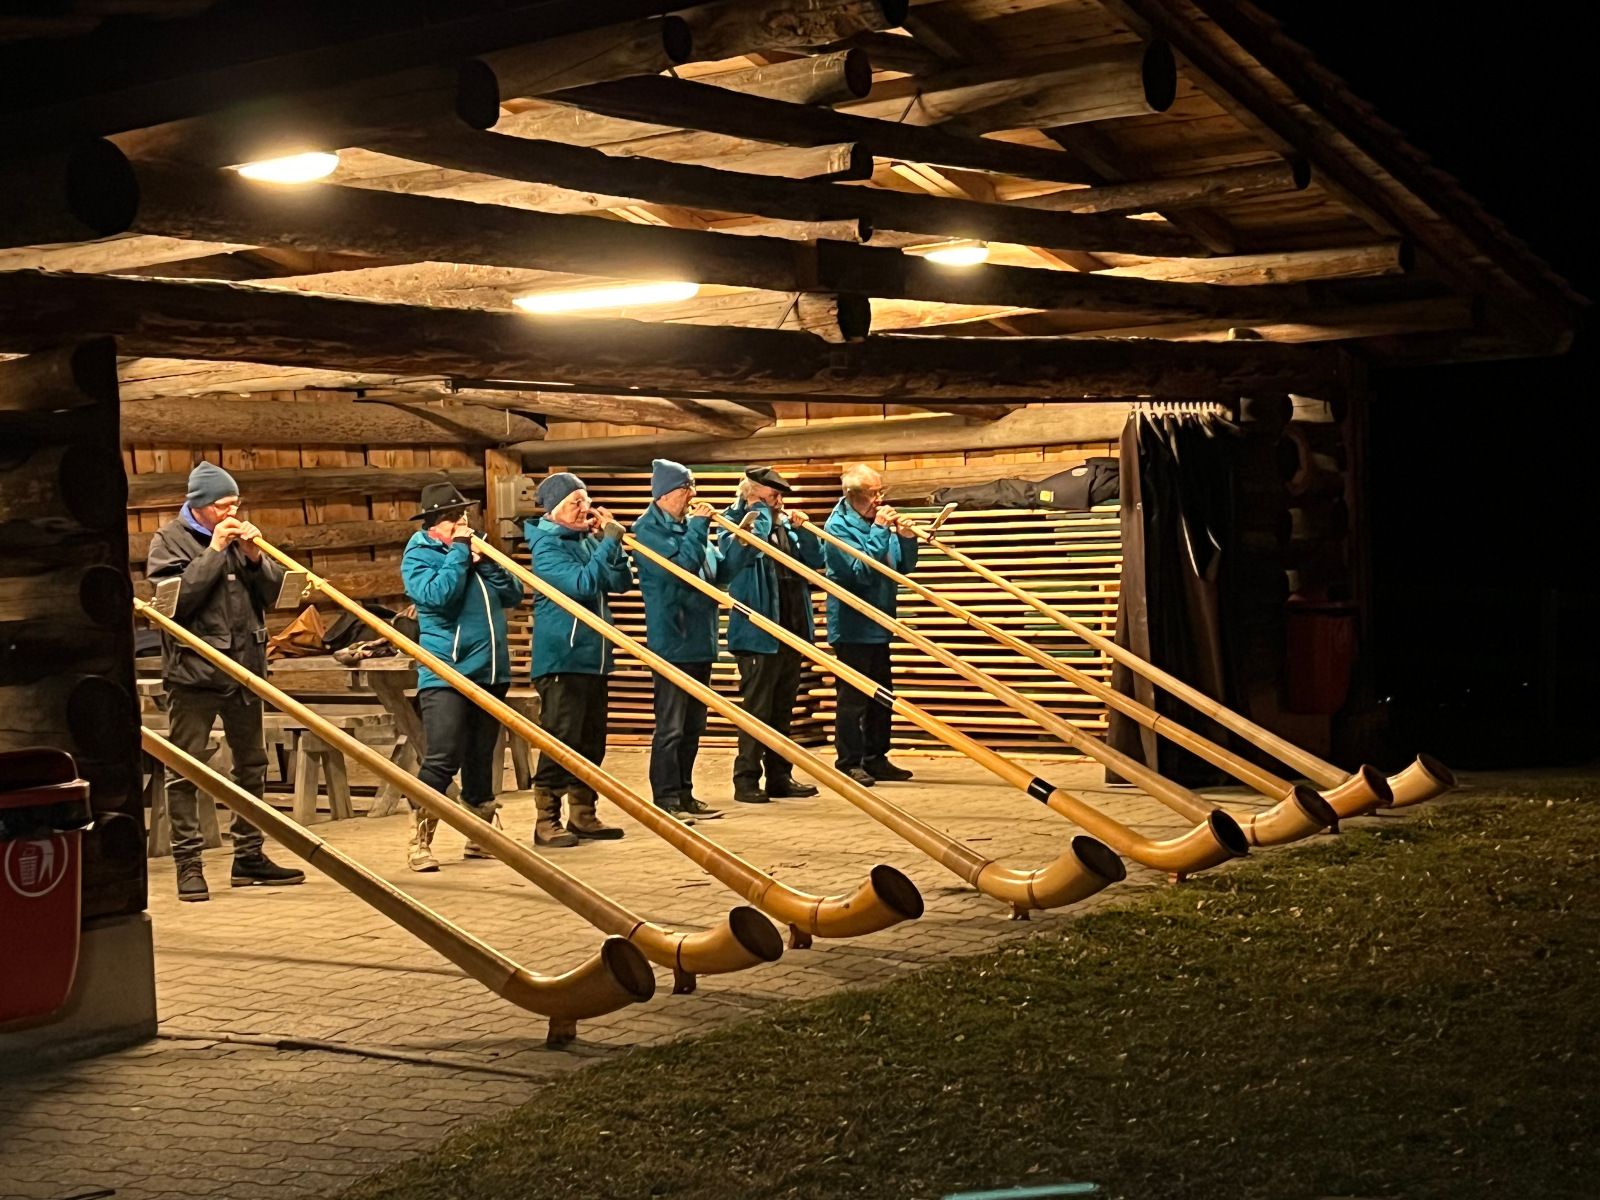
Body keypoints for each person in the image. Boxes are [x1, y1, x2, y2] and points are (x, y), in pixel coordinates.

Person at [145, 461, 305, 902]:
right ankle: (189, 864)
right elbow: (174, 604)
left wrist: (257, 559)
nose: (232, 511)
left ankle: (248, 857)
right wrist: (214, 551)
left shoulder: (241, 540)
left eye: (236, 503)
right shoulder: (168, 540)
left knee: (252, 764)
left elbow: (277, 597)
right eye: (223, 505)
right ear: (198, 506)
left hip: (245, 670)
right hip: (194, 674)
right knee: (186, 770)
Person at [399, 482, 524, 871]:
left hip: (489, 670)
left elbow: (513, 592)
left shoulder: (475, 552)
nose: (464, 524)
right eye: (456, 518)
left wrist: (486, 561)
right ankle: (420, 837)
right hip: (445, 672)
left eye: (465, 516)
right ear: (436, 525)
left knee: (481, 756)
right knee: (443, 755)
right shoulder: (419, 556)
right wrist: (457, 554)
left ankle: (479, 835)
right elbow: (439, 596)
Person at [525, 472, 633, 844]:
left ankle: (583, 814)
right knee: (561, 740)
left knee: (591, 742)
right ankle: (545, 820)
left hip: (594, 657)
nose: (585, 508)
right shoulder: (547, 547)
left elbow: (619, 584)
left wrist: (610, 544)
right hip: (562, 658)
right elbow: (583, 585)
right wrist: (607, 544)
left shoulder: (585, 541)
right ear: (555, 510)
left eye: (586, 500)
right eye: (576, 502)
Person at [719, 466, 824, 805]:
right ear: (751, 495)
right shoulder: (735, 524)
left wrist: (803, 531)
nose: (778, 503)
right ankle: (746, 779)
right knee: (757, 710)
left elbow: (815, 559)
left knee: (782, 709)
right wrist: (759, 514)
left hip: (790, 630)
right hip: (757, 634)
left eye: (778, 497)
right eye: (771, 497)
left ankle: (780, 775)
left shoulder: (782, 528)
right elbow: (741, 555)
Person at [630, 459, 725, 823]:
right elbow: (683, 572)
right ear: (667, 494)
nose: (694, 497)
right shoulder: (648, 533)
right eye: (689, 489)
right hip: (672, 640)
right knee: (670, 726)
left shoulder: (688, 528)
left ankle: (685, 791)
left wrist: (743, 545)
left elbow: (717, 573)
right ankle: (666, 796)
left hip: (700, 638)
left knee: (694, 724)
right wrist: (699, 529)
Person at [819, 464, 919, 786]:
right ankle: (849, 761)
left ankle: (876, 757)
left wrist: (905, 539)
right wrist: (879, 530)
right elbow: (859, 573)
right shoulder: (836, 528)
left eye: (880, 491)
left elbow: (901, 568)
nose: (879, 499)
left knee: (882, 696)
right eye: (873, 493)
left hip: (880, 621)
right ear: (853, 496)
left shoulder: (873, 521)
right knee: (853, 699)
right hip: (852, 626)